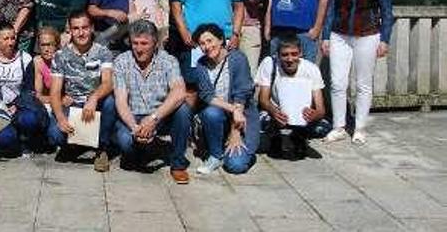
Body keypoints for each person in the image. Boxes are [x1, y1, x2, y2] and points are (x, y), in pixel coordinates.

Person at [322, 0, 393, 145]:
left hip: (368, 35)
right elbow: (331, 9)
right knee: (337, 83)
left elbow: (387, 12)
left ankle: (360, 128)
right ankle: (339, 127)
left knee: (363, 84)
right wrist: (326, 36)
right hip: (340, 34)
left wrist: (385, 39)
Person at [113, 20, 192, 183]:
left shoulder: (169, 61)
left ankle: (178, 164)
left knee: (183, 109)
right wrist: (135, 127)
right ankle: (143, 148)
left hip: (160, 115)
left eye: (144, 43)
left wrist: (154, 118)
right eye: (135, 43)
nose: (139, 49)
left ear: (155, 43)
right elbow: (121, 101)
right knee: (126, 143)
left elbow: (179, 91)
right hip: (132, 117)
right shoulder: (121, 61)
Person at [46, 11, 116, 172]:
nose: (81, 32)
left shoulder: (103, 52)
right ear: (70, 31)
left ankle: (102, 149)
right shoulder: (60, 56)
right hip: (72, 103)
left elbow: (108, 83)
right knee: (54, 134)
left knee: (110, 102)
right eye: (76, 28)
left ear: (92, 28)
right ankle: (76, 145)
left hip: (95, 103)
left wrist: (93, 98)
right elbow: (55, 92)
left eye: (85, 27)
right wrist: (61, 118)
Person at [186, 23, 259, 175]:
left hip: (242, 116)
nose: (207, 46)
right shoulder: (201, 64)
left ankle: (245, 149)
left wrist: (235, 132)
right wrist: (232, 109)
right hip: (221, 115)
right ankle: (215, 155)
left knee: (236, 166)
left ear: (220, 40)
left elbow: (241, 94)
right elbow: (207, 95)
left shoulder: (237, 59)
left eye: (210, 41)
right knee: (210, 112)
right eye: (202, 44)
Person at [256, 34, 326, 160]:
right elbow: (263, 99)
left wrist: (313, 115)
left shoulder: (311, 69)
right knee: (261, 127)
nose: (290, 59)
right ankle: (275, 137)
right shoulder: (269, 64)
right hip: (275, 113)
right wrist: (274, 112)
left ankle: (298, 137)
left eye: (294, 54)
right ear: (277, 55)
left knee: (323, 129)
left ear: (301, 54)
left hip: (302, 115)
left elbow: (321, 109)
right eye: (285, 55)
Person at [0, 21, 47, 154]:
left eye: (13, 38)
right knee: (6, 138)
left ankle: (25, 139)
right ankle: (3, 140)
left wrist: (17, 105)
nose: (10, 42)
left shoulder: (25, 58)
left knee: (30, 119)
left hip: (18, 105)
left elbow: (29, 88)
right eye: (5, 39)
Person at [33, 26, 61, 110]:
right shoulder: (38, 62)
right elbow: (38, 96)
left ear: (56, 45)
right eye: (43, 45)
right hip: (50, 103)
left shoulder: (64, 60)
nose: (46, 49)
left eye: (50, 45)